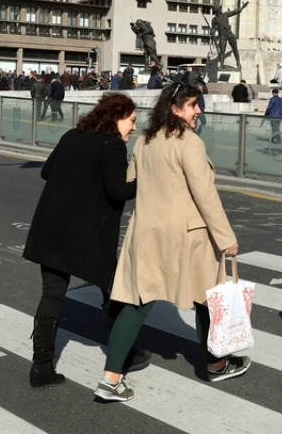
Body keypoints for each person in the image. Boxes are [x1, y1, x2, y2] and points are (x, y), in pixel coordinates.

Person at [93, 83, 243, 403]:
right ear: (175, 109)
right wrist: (226, 238)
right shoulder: (189, 143)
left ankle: (110, 378)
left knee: (135, 305)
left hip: (146, 234)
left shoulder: (144, 141)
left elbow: (129, 184)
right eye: (192, 105)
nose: (198, 110)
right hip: (187, 238)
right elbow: (204, 195)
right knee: (205, 300)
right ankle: (216, 364)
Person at [22, 93, 147, 388]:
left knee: (52, 294)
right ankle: (124, 355)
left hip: (52, 228)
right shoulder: (112, 145)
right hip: (88, 235)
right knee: (114, 292)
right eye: (131, 120)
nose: (134, 128)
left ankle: (40, 366)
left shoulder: (72, 135)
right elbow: (118, 191)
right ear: (116, 117)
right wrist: (148, 180)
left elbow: (46, 171)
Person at [211, 2, 249, 69]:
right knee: (222, 51)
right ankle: (222, 65)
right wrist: (212, 31)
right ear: (217, 11)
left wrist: (242, 7)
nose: (221, 9)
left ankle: (238, 62)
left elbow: (234, 12)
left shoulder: (225, 14)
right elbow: (213, 28)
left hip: (229, 34)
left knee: (235, 48)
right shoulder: (214, 20)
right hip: (222, 35)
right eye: (219, 8)